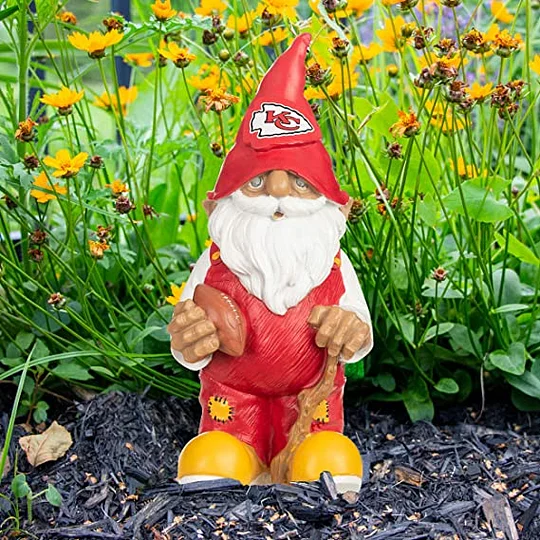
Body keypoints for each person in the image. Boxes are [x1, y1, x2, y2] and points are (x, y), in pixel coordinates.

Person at [167, 34, 373, 493]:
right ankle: (231, 454)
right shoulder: (217, 260)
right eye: (258, 182)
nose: (278, 193)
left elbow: (358, 329)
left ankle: (313, 458)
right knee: (217, 455)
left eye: (299, 182)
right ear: (218, 205)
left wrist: (352, 330)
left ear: (337, 207)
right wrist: (188, 338)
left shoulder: (331, 261)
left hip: (312, 399)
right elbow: (187, 331)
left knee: (325, 455)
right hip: (231, 398)